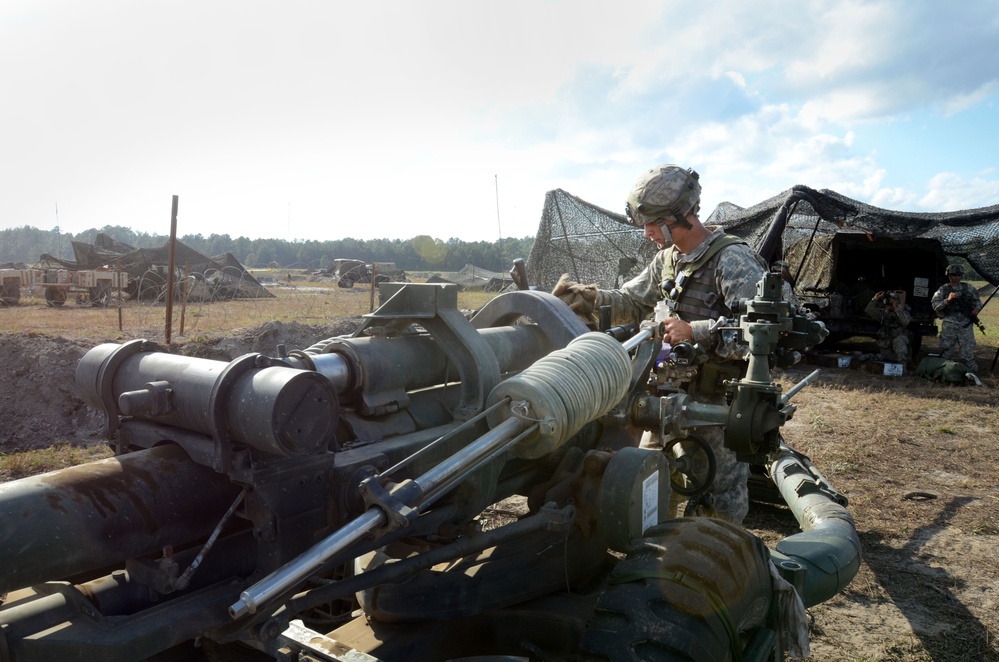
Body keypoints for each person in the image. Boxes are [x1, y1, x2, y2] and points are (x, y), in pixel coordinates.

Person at [552, 164, 767, 525]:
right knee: (650, 483)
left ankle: (717, 566)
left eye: (652, 223)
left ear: (679, 216)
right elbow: (632, 301)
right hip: (663, 398)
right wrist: (588, 299)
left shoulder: (732, 260)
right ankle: (655, 559)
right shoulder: (667, 259)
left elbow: (757, 335)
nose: (647, 232)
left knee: (717, 497)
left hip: (713, 406)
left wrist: (694, 330)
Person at [931, 264, 983, 373]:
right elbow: (935, 305)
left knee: (967, 352)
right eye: (954, 275)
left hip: (966, 323)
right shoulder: (943, 289)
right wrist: (947, 300)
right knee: (947, 351)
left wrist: (977, 309)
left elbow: (978, 301)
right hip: (949, 323)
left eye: (959, 275)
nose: (956, 277)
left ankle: (972, 375)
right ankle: (946, 373)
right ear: (949, 275)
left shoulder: (969, 288)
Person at [864, 290, 912, 363]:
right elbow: (868, 310)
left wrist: (896, 308)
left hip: (899, 342)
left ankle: (903, 364)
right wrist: (875, 299)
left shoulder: (903, 312)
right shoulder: (884, 313)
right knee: (886, 359)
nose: (889, 305)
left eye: (891, 303)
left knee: (899, 341)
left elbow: (905, 322)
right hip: (887, 342)